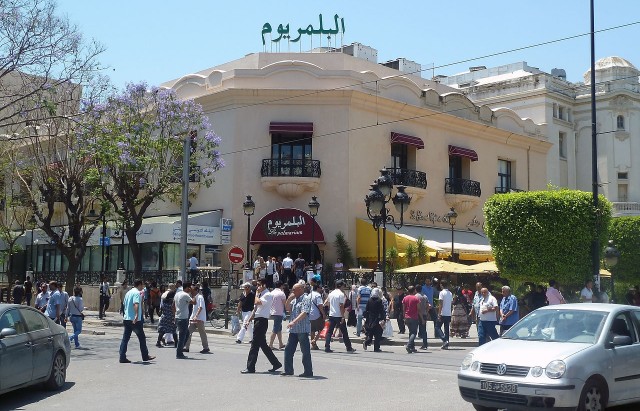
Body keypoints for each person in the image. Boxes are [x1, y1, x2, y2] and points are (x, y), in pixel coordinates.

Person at [241, 279, 282, 374]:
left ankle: (250, 367)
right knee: (263, 345)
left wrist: (256, 294)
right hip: (257, 320)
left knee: (254, 345)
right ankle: (276, 363)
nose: (257, 287)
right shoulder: (261, 294)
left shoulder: (267, 294)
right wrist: (249, 320)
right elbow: (255, 309)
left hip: (262, 321)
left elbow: (257, 302)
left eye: (259, 285)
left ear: (264, 285)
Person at [119, 279, 155, 363]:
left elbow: (124, 304)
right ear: (139, 285)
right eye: (142, 284)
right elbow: (136, 304)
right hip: (135, 320)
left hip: (127, 318)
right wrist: (136, 315)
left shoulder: (128, 293)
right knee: (142, 338)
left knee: (125, 338)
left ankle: (122, 356)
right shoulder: (136, 293)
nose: (142, 286)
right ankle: (145, 356)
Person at [282, 283, 313, 377]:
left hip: (302, 329)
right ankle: (288, 370)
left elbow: (304, 312)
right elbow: (287, 308)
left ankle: (308, 371)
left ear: (300, 289)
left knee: (305, 351)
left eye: (294, 290)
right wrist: (289, 299)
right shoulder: (295, 300)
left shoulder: (306, 299)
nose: (292, 292)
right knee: (288, 350)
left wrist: (294, 322)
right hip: (294, 330)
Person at [324, 280, 356, 353]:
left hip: (332, 315)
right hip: (338, 315)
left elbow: (327, 303)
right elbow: (341, 306)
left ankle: (327, 346)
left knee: (329, 332)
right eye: (343, 286)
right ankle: (349, 347)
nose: (344, 287)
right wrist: (342, 317)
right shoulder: (341, 294)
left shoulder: (331, 293)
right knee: (344, 332)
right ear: (341, 286)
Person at [185, 284, 210, 354]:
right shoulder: (194, 297)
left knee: (202, 334)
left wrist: (196, 316)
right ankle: (186, 347)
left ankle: (206, 347)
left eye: (192, 289)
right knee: (188, 332)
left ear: (196, 290)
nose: (190, 291)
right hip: (193, 319)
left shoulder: (200, 297)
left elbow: (200, 307)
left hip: (199, 319)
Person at [174, 282, 193, 359]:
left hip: (178, 316)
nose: (190, 289)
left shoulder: (177, 294)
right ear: (187, 287)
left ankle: (180, 349)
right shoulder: (185, 295)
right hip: (183, 318)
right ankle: (179, 353)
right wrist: (193, 294)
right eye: (190, 288)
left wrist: (174, 316)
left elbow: (173, 305)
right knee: (182, 336)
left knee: (187, 333)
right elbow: (194, 302)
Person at [363, 288, 385, 352]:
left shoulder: (369, 300)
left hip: (370, 319)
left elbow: (366, 310)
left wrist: (365, 318)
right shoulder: (379, 300)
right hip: (377, 319)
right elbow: (381, 310)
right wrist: (383, 318)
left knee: (370, 333)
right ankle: (376, 348)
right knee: (378, 334)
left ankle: (367, 342)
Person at [308, 279, 326, 350]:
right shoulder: (318, 295)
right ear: (317, 288)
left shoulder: (309, 295)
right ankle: (314, 341)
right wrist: (323, 314)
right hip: (317, 314)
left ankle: (313, 345)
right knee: (321, 328)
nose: (321, 289)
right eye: (320, 288)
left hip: (310, 314)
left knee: (312, 330)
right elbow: (320, 306)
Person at [269, 281, 287, 350]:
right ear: (281, 286)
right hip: (278, 312)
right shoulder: (281, 293)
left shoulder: (272, 293)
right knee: (275, 329)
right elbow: (284, 303)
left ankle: (281, 343)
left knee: (279, 328)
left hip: (272, 312)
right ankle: (270, 344)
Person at [402, 286, 420, 353]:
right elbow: (418, 309)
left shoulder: (405, 298)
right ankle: (409, 345)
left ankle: (412, 347)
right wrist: (421, 317)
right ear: (414, 290)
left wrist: (404, 317)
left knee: (410, 332)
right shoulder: (416, 298)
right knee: (414, 333)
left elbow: (403, 309)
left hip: (407, 317)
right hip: (414, 317)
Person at [438, 280, 453, 349]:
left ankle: (444, 339)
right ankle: (446, 344)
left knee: (437, 327)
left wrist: (439, 313)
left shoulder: (441, 293)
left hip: (443, 313)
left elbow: (440, 304)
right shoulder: (450, 293)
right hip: (448, 313)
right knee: (446, 329)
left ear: (441, 285)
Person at [416, 285, 430, 349]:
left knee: (414, 330)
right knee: (424, 330)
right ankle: (425, 343)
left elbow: (417, 308)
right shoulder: (425, 296)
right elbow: (429, 305)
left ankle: (411, 344)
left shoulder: (416, 296)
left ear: (416, 290)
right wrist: (426, 312)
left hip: (417, 315)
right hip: (424, 314)